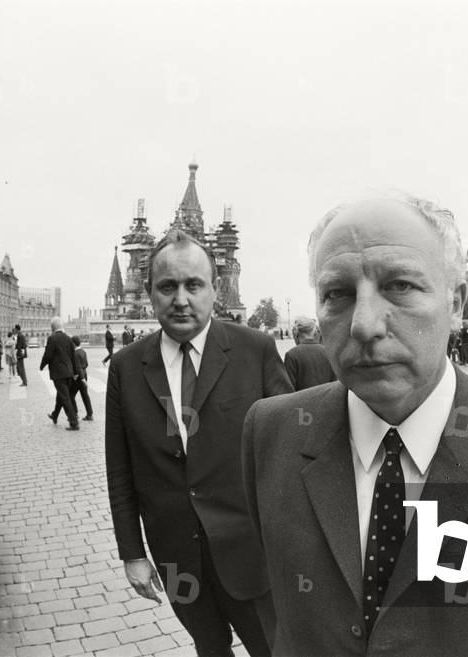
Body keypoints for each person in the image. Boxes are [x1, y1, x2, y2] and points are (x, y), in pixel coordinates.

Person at [241, 193, 468, 656]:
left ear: (455, 303)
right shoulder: (270, 432)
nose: (364, 325)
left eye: (400, 286)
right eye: (338, 294)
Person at [105, 229, 292, 657]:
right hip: (175, 553)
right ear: (150, 292)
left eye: (194, 285)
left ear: (214, 289)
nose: (181, 298)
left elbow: (288, 451)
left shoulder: (255, 350)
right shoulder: (127, 367)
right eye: (167, 286)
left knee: (272, 648)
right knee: (208, 647)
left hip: (250, 549)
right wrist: (132, 553)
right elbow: (119, 468)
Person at [40, 317, 80, 431]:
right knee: (61, 396)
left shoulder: (52, 338)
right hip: (69, 372)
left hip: (58, 373)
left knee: (65, 397)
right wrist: (75, 372)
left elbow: (48, 355)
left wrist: (42, 365)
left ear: (52, 328)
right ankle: (55, 415)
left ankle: (74, 423)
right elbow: (73, 357)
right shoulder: (68, 338)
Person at [283, 318, 336, 390]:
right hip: (326, 398)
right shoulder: (327, 351)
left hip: (301, 399)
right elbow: (334, 381)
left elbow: (288, 387)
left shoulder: (291, 355)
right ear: (314, 332)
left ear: (297, 333)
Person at [70, 336, 94, 421]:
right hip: (84, 374)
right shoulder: (83, 351)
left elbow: (78, 367)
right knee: (85, 396)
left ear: (73, 344)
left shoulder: (75, 354)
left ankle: (75, 413)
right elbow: (86, 364)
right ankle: (90, 414)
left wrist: (80, 377)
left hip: (78, 378)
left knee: (70, 396)